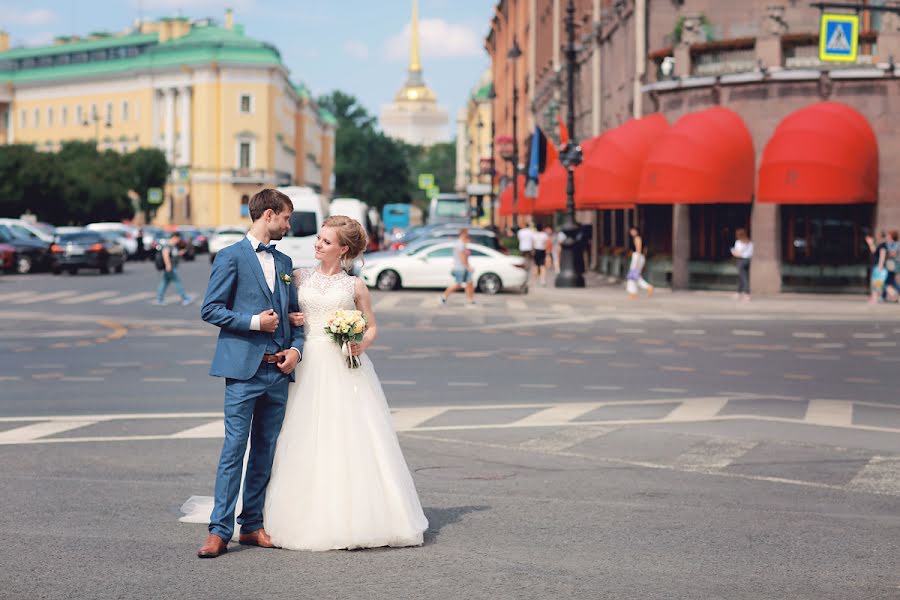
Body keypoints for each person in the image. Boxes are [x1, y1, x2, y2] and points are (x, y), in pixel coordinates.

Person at [263, 215, 428, 550]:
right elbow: (280, 313)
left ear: (343, 250)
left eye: (325, 241)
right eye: (319, 238)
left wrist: (360, 343)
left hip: (342, 365)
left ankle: (351, 515)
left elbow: (371, 327)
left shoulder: (355, 286)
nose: (317, 244)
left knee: (345, 438)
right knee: (298, 435)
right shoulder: (297, 277)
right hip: (305, 361)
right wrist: (293, 318)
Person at [193, 188, 305, 558]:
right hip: (243, 371)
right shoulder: (231, 257)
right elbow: (211, 309)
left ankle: (252, 525)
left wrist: (295, 350)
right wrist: (254, 322)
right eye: (286, 218)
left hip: (277, 372)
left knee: (264, 452)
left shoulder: (286, 262)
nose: (289, 225)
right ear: (269, 215)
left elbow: (295, 318)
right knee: (233, 450)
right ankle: (218, 530)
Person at [153, 231, 194, 306]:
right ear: (175, 237)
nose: (178, 240)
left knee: (164, 282)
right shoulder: (168, 245)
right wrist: (168, 265)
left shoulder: (173, 245)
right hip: (170, 268)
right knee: (178, 282)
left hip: (171, 267)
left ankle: (159, 298)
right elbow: (165, 255)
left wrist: (181, 252)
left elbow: (174, 254)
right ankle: (185, 298)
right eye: (178, 239)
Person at [439, 228, 476, 306]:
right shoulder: (460, 244)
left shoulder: (462, 243)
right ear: (463, 233)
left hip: (463, 267)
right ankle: (443, 297)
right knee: (458, 284)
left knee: (470, 283)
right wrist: (468, 267)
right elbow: (462, 257)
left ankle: (470, 300)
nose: (468, 235)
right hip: (460, 268)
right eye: (467, 233)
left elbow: (465, 256)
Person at [625, 227, 653, 298]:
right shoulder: (639, 238)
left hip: (637, 257)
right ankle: (645, 288)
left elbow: (639, 250)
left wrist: (637, 261)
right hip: (639, 257)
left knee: (632, 276)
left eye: (633, 231)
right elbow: (645, 250)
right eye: (631, 231)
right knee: (635, 276)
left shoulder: (637, 238)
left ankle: (634, 292)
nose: (632, 232)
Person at [731, 228, 753, 301]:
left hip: (741, 260)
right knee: (742, 276)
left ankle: (747, 293)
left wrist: (733, 252)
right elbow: (751, 253)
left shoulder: (738, 242)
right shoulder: (750, 242)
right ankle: (738, 293)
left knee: (743, 277)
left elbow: (738, 253)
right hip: (748, 260)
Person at [866, 231, 889, 303]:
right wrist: (870, 243)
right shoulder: (880, 245)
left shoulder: (883, 245)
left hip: (879, 267)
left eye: (878, 235)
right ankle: (874, 298)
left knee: (877, 283)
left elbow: (882, 255)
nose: (877, 237)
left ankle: (875, 298)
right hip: (877, 266)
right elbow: (874, 251)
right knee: (877, 283)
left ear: (880, 236)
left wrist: (880, 266)